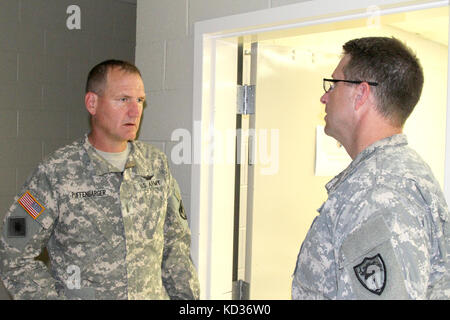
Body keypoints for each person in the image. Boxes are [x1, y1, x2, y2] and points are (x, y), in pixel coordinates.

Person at [0, 60, 200, 300]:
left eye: (140, 100)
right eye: (123, 99)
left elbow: (175, 245)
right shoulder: (56, 172)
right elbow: (11, 252)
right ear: (92, 103)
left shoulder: (156, 165)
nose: (135, 111)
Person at [291, 37, 450, 299]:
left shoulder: (378, 191)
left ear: (361, 94)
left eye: (333, 85)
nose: (324, 97)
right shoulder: (399, 172)